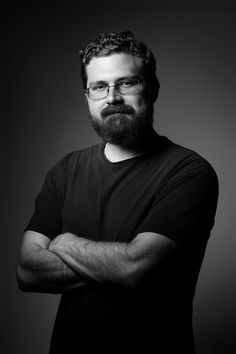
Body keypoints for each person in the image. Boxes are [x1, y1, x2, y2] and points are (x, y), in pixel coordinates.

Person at [16, 31, 219, 354]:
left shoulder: (189, 171)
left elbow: (132, 268)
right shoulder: (65, 170)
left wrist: (64, 241)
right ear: (87, 96)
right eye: (99, 86)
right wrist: (112, 264)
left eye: (127, 83)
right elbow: (27, 270)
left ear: (151, 89)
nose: (112, 98)